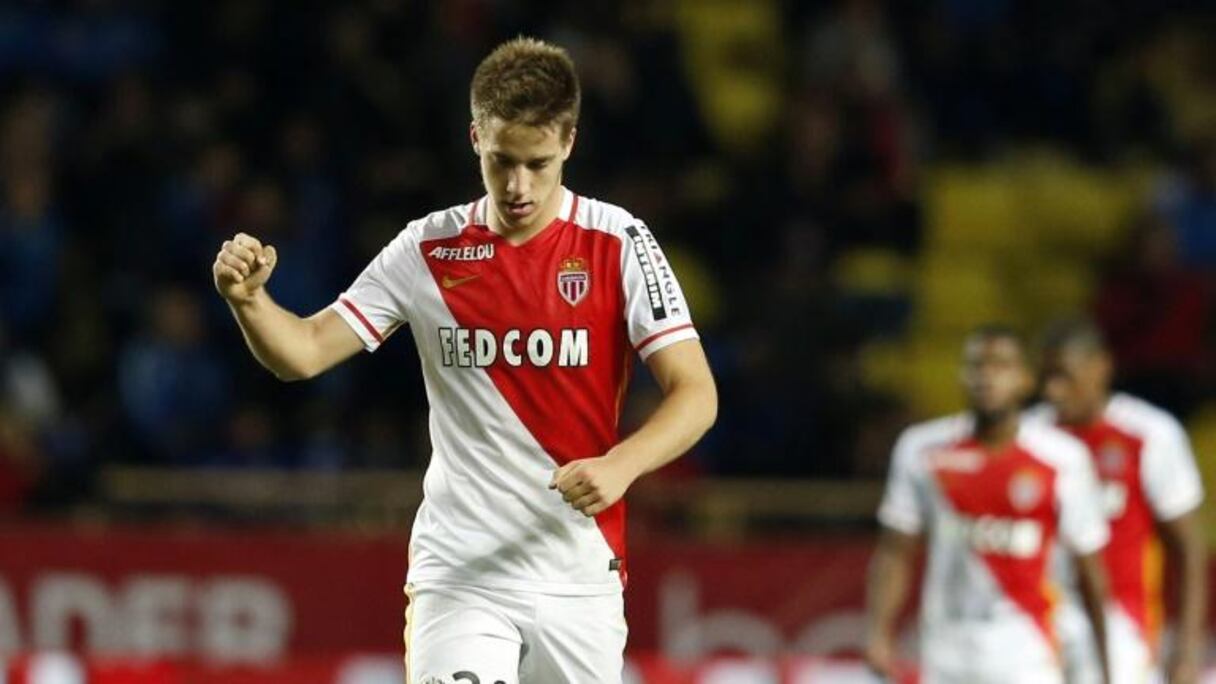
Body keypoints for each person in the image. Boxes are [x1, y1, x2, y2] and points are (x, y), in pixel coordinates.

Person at [212, 37, 717, 684]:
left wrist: (622, 465)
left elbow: (696, 393)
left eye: (536, 163)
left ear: (568, 140)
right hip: (462, 575)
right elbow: (304, 353)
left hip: (579, 577)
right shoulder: (429, 248)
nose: (517, 186)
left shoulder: (619, 242)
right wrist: (250, 302)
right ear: (475, 136)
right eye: (502, 160)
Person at [865, 325, 1111, 684]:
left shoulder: (1062, 458)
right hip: (945, 652)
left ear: (1026, 379)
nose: (986, 377)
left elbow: (1089, 568)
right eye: (976, 365)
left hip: (1029, 651)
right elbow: (894, 551)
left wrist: (1102, 664)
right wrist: (878, 633)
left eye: (1001, 366)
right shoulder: (921, 449)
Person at [1031, 318, 1206, 684]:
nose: (1053, 392)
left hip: (1121, 624)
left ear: (1100, 366)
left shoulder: (1149, 434)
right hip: (1034, 620)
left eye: (1064, 377)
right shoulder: (1030, 436)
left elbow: (1189, 547)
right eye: (1045, 378)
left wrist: (1187, 650)